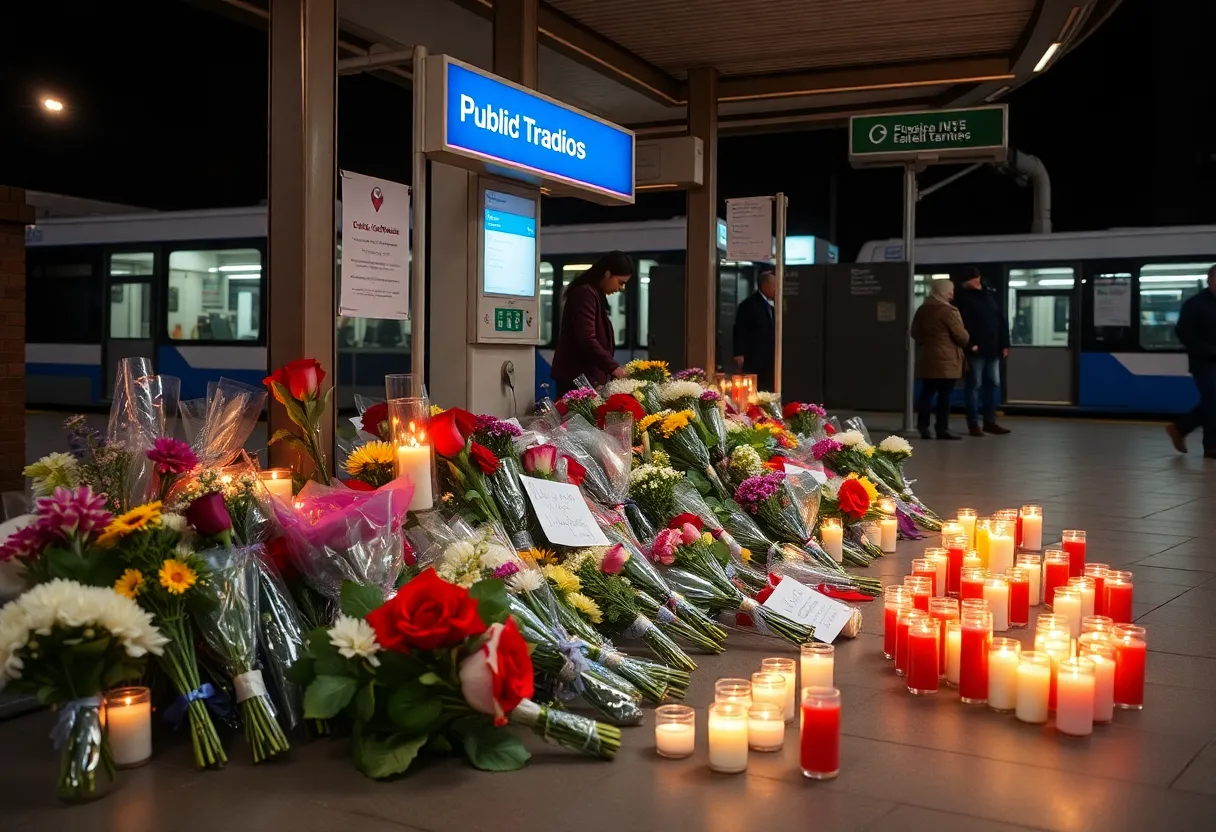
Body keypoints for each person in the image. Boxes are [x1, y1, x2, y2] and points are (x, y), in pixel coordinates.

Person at [550, 251, 632, 395]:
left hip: (585, 377)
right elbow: (587, 339)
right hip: (577, 380)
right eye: (621, 282)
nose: (621, 288)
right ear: (607, 273)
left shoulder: (594, 294)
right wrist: (614, 368)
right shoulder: (585, 294)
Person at [1166, 265, 1216, 458]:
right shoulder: (1195, 304)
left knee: (1212, 401)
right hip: (1203, 361)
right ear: (1209, 280)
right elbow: (1184, 332)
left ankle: (1180, 428)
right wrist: (1208, 349)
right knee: (1213, 398)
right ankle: (1211, 446)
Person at [954, 268, 1011, 436]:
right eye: (973, 278)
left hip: (993, 349)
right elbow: (961, 325)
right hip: (976, 350)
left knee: (992, 384)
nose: (977, 280)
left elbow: (1001, 321)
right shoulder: (962, 299)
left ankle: (989, 421)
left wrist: (1004, 344)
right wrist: (970, 345)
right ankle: (973, 424)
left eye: (977, 277)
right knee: (974, 386)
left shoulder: (990, 296)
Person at [910, 278, 969, 440]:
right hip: (947, 360)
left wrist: (927, 343)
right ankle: (942, 429)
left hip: (927, 357)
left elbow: (914, 332)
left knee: (926, 394)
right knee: (945, 396)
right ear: (943, 291)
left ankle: (923, 427)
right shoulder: (949, 311)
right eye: (950, 290)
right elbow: (961, 336)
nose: (952, 292)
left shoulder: (923, 309)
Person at [732, 270, 777, 390]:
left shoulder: (770, 306)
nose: (776, 290)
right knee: (754, 387)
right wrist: (739, 353)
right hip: (754, 356)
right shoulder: (749, 305)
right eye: (774, 286)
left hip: (769, 357)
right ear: (764, 285)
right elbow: (739, 330)